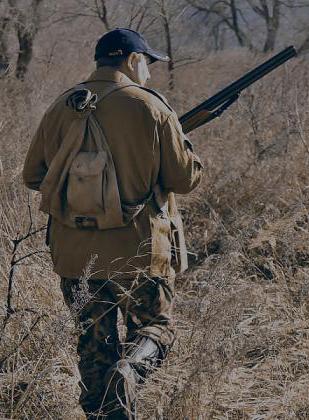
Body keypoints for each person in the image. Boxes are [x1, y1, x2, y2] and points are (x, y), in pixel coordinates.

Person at [22, 28, 202, 419]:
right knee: (157, 326)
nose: (150, 71)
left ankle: (102, 414)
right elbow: (184, 179)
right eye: (148, 62)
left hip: (74, 256)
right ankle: (132, 368)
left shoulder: (61, 105)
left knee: (92, 347)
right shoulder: (150, 106)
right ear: (133, 60)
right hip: (138, 251)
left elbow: (33, 175)